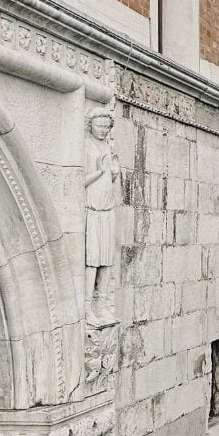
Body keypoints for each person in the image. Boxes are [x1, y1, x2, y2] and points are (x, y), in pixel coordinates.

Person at [85, 107, 120, 327]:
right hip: (92, 210)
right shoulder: (85, 146)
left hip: (107, 210)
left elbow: (111, 180)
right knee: (92, 260)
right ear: (91, 125)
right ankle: (87, 307)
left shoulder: (108, 146)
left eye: (107, 127)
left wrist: (113, 172)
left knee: (106, 260)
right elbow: (79, 180)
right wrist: (99, 171)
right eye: (99, 126)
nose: (103, 130)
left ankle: (101, 305)